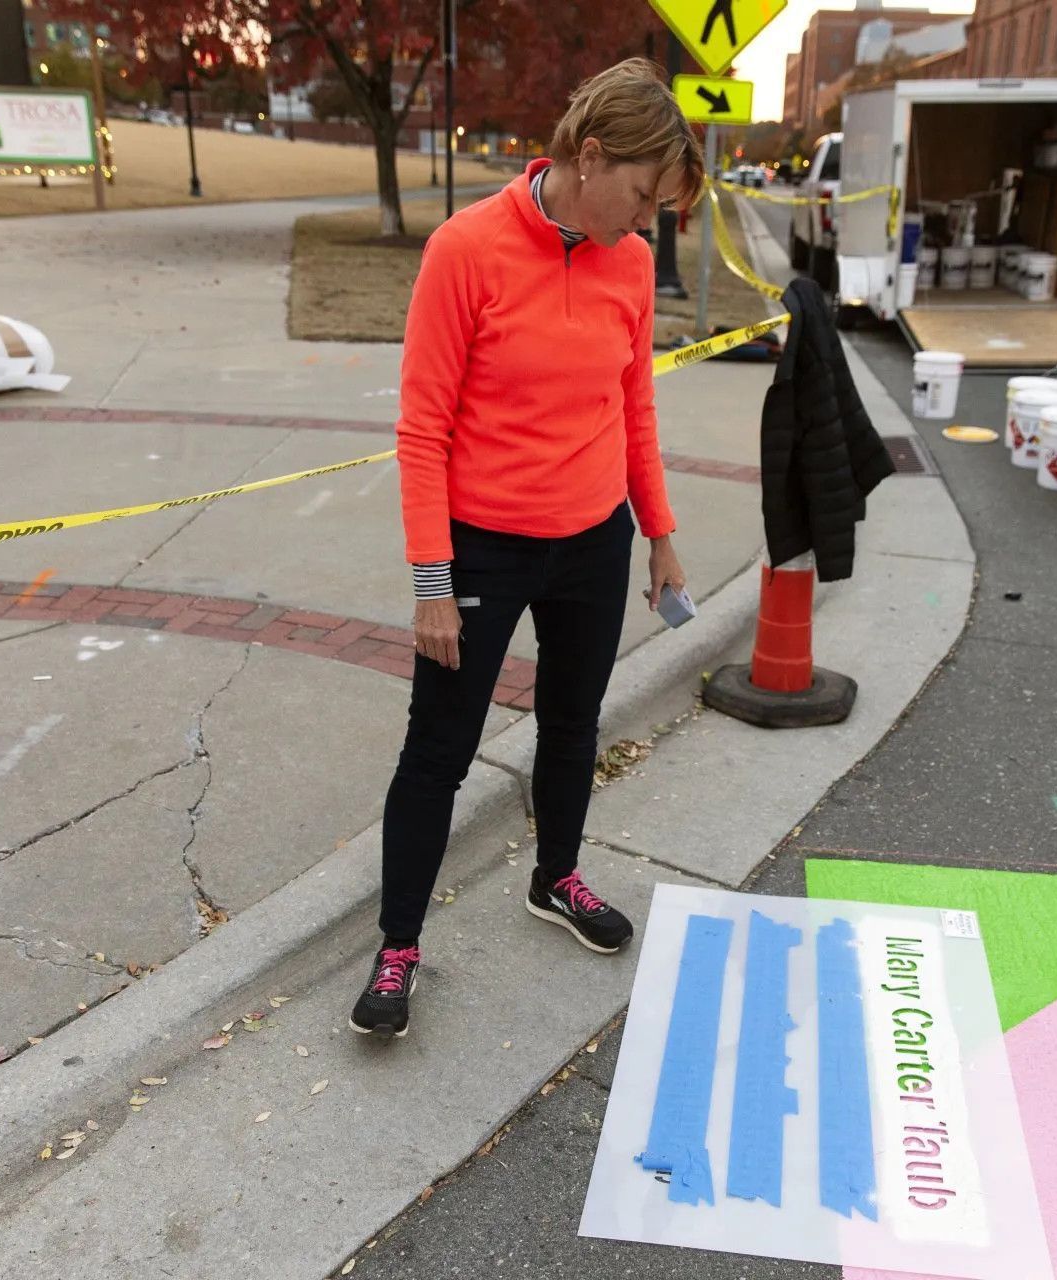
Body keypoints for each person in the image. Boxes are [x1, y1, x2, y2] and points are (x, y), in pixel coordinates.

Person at [349, 60, 705, 1038]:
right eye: (638, 197)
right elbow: (423, 427)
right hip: (482, 547)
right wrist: (433, 581)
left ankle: (558, 878)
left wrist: (661, 534)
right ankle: (398, 942)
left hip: (594, 536)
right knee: (440, 749)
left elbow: (633, 402)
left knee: (572, 721)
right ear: (588, 158)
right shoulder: (467, 251)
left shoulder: (625, 261)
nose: (643, 225)